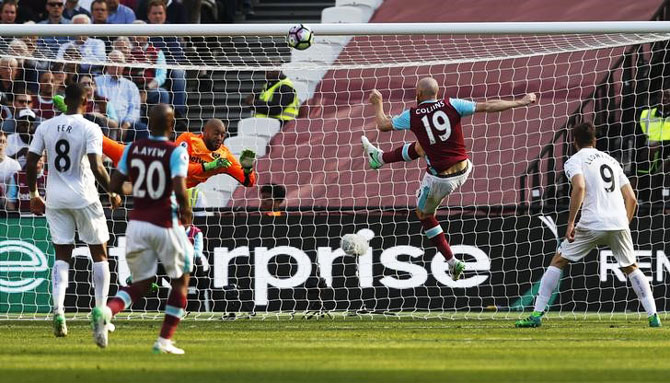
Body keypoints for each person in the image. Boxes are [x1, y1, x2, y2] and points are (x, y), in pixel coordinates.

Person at [362, 78, 536, 280]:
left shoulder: (412, 115)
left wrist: (378, 103)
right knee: (422, 146)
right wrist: (521, 102)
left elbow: (383, 124)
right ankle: (380, 158)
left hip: (440, 180)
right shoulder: (452, 104)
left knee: (424, 215)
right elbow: (488, 105)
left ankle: (452, 262)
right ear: (437, 93)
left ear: (418, 95)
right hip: (464, 168)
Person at [515, 122, 661, 328]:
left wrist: (571, 222)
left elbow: (580, 186)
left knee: (558, 261)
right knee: (631, 267)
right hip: (618, 222)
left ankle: (536, 315)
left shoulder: (574, 161)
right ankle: (653, 316)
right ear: (595, 140)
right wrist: (624, 223)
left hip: (592, 221)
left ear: (574, 142)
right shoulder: (612, 161)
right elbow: (632, 199)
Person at [91, 103, 193, 354]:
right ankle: (164, 341)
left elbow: (115, 184)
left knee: (141, 283)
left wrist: (140, 189)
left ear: (148, 124)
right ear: (171, 126)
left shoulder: (133, 149)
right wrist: (186, 211)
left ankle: (107, 310)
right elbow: (180, 189)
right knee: (181, 279)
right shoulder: (176, 152)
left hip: (136, 224)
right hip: (165, 223)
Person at [26, 82, 121, 337]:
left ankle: (58, 310)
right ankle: (100, 313)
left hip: (55, 198)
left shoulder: (45, 126)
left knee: (62, 255)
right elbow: (97, 165)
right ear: (86, 101)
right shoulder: (90, 127)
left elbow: (31, 161)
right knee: (99, 253)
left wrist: (34, 193)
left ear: (63, 100)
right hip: (84, 197)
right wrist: (112, 191)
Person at [100, 118, 257, 190]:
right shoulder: (188, 139)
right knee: (109, 145)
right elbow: (175, 165)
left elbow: (248, 182)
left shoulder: (224, 156)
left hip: (166, 189)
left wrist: (248, 169)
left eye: (223, 134)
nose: (220, 138)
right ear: (205, 132)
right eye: (216, 133)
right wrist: (208, 166)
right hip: (154, 168)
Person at [146, 0, 187, 117]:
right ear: (148, 15)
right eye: (154, 13)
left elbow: (176, 55)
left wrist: (162, 65)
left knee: (179, 72)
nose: (158, 16)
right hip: (148, 69)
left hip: (168, 68)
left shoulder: (171, 31)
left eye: (160, 13)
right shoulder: (142, 31)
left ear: (165, 14)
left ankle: (179, 114)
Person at [94, 50, 146, 141]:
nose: (116, 65)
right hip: (102, 124)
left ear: (124, 65)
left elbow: (135, 109)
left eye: (119, 62)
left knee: (142, 129)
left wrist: (126, 125)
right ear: (107, 64)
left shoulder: (131, 86)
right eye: (112, 61)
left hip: (125, 126)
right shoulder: (96, 82)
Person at [0, 131, 21, 208]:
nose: (0, 145)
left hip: (8, 204)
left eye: (3, 142)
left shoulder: (14, 165)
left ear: (6, 144)